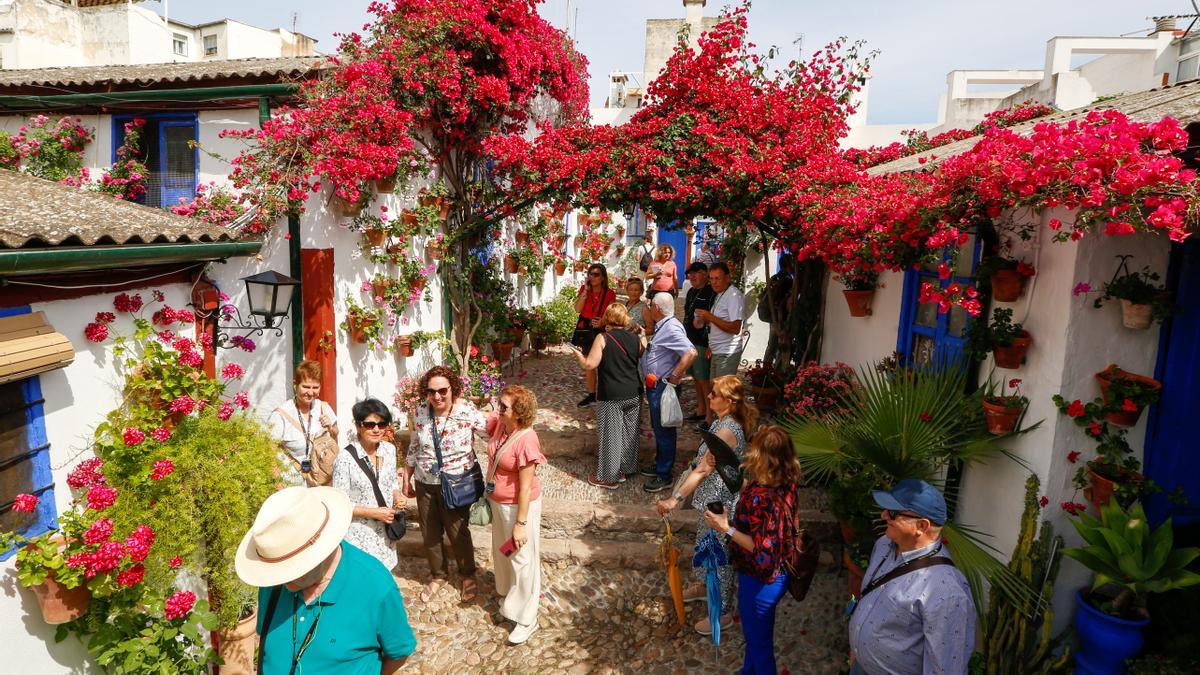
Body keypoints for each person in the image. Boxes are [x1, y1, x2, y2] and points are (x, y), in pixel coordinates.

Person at [236, 486, 416, 674]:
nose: (283, 581)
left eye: (291, 569)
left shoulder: (375, 585)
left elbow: (399, 652)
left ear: (322, 550)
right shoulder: (273, 579)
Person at [656, 374, 757, 635]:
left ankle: (722, 612)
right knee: (705, 546)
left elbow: (701, 469)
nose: (708, 396)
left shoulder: (726, 431)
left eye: (714, 394)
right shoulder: (721, 422)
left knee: (718, 556)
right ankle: (703, 587)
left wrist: (674, 499)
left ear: (729, 402)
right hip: (710, 500)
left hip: (719, 504)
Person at [847, 480, 976, 675]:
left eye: (892, 513)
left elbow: (946, 669)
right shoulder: (884, 544)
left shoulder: (946, 592)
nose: (883, 515)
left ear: (921, 526)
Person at [702, 426, 802, 675]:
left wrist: (725, 528)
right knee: (756, 637)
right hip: (777, 573)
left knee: (760, 647)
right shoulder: (785, 480)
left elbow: (761, 548)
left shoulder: (764, 499)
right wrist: (722, 467)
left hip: (761, 581)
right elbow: (748, 485)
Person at [404, 365, 488, 603]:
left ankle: (467, 574)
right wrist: (406, 474)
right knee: (429, 533)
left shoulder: (467, 411)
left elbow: (491, 436)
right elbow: (414, 444)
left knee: (458, 532)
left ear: (453, 389)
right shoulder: (420, 411)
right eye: (431, 392)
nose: (437, 397)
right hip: (425, 481)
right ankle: (438, 575)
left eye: (443, 390)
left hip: (456, 482)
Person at [484, 385, 547, 645]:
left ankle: (526, 617)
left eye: (504, 407)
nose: (499, 410)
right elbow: (476, 417)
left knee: (522, 558)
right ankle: (511, 596)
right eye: (499, 405)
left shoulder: (527, 439)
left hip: (519, 508)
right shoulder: (500, 425)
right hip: (499, 505)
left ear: (519, 413)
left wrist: (520, 524)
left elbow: (524, 488)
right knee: (504, 551)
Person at [572, 303, 643, 489]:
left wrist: (579, 355)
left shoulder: (603, 338)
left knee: (610, 435)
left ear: (607, 318)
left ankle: (609, 477)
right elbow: (641, 352)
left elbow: (589, 365)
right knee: (629, 433)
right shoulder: (635, 339)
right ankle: (625, 469)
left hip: (611, 393)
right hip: (633, 392)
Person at [332, 398, 402, 571]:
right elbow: (340, 503)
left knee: (384, 575)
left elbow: (391, 481)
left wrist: (397, 495)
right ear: (358, 426)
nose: (377, 429)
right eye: (370, 425)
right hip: (360, 536)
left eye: (382, 424)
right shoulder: (345, 460)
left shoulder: (389, 450)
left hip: (385, 534)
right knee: (363, 579)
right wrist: (374, 513)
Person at [637, 292, 697, 493]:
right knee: (659, 427)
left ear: (657, 309)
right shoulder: (666, 326)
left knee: (665, 430)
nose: (649, 307)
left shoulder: (670, 327)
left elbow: (690, 352)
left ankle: (664, 475)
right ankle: (661, 463)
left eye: (650, 304)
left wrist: (675, 375)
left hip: (663, 386)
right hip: (656, 386)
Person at [268, 360, 339, 487]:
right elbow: (269, 453)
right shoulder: (280, 414)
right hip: (289, 484)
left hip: (318, 483)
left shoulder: (323, 407)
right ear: (295, 384)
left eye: (315, 387)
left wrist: (331, 428)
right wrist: (278, 486)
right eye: (306, 387)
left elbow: (335, 442)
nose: (311, 393)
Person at [574, 263, 617, 409]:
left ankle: (605, 394)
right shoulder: (585, 290)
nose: (592, 277)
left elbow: (612, 313)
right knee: (588, 362)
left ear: (603, 277)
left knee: (604, 362)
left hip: (602, 327)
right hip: (585, 327)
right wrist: (585, 292)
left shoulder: (609, 293)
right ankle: (592, 395)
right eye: (590, 274)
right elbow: (577, 309)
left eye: (596, 274)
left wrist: (603, 322)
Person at [695, 262, 745, 379]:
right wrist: (711, 345)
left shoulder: (733, 296)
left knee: (722, 393)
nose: (713, 282)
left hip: (727, 352)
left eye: (717, 278)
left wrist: (710, 316)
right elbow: (718, 322)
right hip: (717, 350)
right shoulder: (720, 294)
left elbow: (735, 328)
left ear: (727, 278)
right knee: (716, 392)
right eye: (711, 279)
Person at [682, 261, 717, 422]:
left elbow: (715, 317)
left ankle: (709, 416)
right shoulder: (690, 292)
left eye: (695, 273)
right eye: (690, 274)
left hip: (702, 340)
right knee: (695, 377)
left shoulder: (711, 291)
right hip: (689, 340)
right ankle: (701, 409)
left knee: (704, 379)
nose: (692, 276)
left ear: (705, 273)